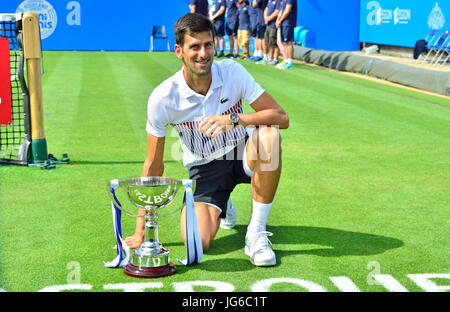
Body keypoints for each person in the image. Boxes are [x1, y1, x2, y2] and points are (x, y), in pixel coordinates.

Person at [124, 13, 289, 267]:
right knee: (197, 244)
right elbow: (153, 165)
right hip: (205, 169)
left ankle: (256, 233)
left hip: (241, 152)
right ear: (179, 51)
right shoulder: (163, 97)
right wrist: (140, 230)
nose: (203, 53)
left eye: (208, 44)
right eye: (195, 47)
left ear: (215, 44)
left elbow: (281, 117)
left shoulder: (233, 72)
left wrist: (233, 119)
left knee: (269, 134)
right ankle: (223, 203)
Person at [257, 0, 280, 65]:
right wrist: (266, 18)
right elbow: (266, 9)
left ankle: (275, 59)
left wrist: (269, 18)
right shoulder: (269, 1)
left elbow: (277, 12)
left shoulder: (278, 1)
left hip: (273, 25)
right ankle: (270, 58)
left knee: (274, 43)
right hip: (268, 25)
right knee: (268, 42)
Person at [275, 0, 296, 69]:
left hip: (288, 23)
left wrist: (280, 20)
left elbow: (287, 11)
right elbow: (282, 10)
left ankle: (290, 62)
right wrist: (278, 20)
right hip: (283, 23)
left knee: (288, 42)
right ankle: (286, 60)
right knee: (284, 42)